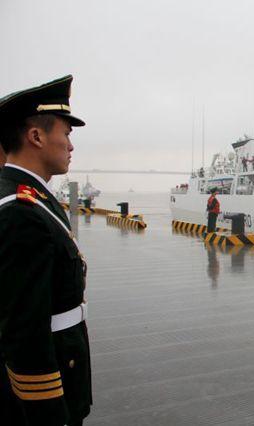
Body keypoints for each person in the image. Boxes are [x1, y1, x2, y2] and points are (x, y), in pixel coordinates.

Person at [0, 76, 91, 426]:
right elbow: (25, 333)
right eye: (66, 134)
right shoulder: (20, 212)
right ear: (36, 136)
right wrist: (49, 413)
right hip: (50, 393)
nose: (70, 145)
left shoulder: (32, 197)